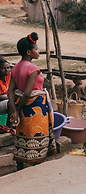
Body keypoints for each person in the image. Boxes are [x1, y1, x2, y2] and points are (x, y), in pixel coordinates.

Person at [8, 32, 56, 169]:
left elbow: (10, 90)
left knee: (22, 136)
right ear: (29, 52)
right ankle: (35, 170)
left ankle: (20, 167)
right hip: (35, 109)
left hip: (21, 106)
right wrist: (16, 110)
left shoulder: (15, 67)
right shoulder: (33, 69)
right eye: (36, 49)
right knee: (36, 138)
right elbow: (28, 93)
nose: (38, 51)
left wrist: (15, 110)